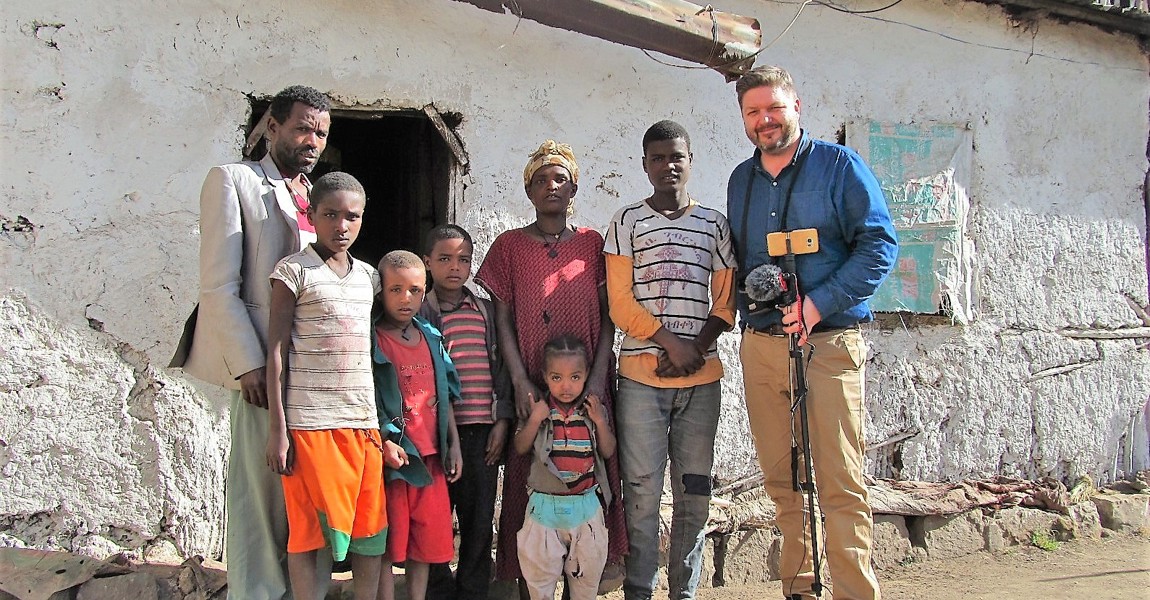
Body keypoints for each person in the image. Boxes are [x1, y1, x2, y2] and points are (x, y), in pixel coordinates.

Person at [726, 65, 898, 600]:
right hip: (763, 348)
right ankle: (799, 587)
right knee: (782, 481)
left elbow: (880, 246)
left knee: (840, 480)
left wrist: (817, 305)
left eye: (774, 108)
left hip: (828, 344)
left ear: (796, 106)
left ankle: (853, 592)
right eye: (753, 112)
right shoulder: (740, 180)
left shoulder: (840, 166)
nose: (765, 120)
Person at [170, 85, 334, 599]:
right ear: (272, 127)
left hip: (314, 372)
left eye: (321, 133)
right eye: (303, 128)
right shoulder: (234, 180)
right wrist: (248, 364)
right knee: (260, 500)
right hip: (264, 368)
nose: (312, 141)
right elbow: (219, 287)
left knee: (308, 498)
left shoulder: (317, 196)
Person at [475, 140, 627, 596]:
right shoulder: (508, 246)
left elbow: (609, 315)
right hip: (534, 389)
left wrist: (597, 376)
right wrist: (521, 379)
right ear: (529, 191)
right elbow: (502, 317)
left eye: (560, 178)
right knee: (530, 489)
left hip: (587, 386)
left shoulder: (593, 244)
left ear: (574, 187)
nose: (551, 186)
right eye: (540, 180)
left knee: (591, 478)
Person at [603, 120, 736, 600]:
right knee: (641, 493)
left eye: (676, 156)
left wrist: (692, 349)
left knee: (693, 493)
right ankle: (639, 591)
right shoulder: (626, 222)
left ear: (690, 160)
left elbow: (726, 301)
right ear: (645, 165)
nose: (668, 166)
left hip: (700, 381)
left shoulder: (714, 224)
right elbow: (620, 304)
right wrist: (669, 344)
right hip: (641, 382)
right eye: (657, 158)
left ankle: (684, 593)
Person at [263, 172, 385, 600]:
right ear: (311, 214)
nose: (342, 226)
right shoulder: (293, 272)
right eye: (330, 215)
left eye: (352, 216)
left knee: (369, 531)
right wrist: (278, 429)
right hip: (310, 425)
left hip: (362, 423)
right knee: (308, 533)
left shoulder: (369, 277)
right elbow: (276, 350)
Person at [419, 224, 513, 600]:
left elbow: (502, 370)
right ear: (427, 262)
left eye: (463, 259)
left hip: (483, 435)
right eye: (444, 259)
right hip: (438, 436)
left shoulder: (485, 311)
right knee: (436, 518)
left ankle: (473, 590)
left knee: (479, 520)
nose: (454, 267)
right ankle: (438, 590)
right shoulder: (420, 313)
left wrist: (502, 421)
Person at [371, 250, 463, 600]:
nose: (405, 298)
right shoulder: (374, 340)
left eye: (414, 290)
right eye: (395, 290)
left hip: (431, 457)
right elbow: (369, 397)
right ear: (381, 292)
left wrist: (453, 444)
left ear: (425, 291)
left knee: (425, 545)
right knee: (386, 543)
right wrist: (384, 439)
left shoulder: (431, 337)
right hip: (394, 459)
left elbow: (446, 393)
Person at [513, 335, 617, 600]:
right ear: (545, 377)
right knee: (540, 583)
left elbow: (608, 451)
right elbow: (521, 447)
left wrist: (600, 422)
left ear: (586, 376)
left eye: (575, 377)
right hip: (544, 510)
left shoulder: (592, 411)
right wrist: (534, 420)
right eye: (556, 378)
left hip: (585, 508)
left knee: (586, 584)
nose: (566, 386)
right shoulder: (540, 409)